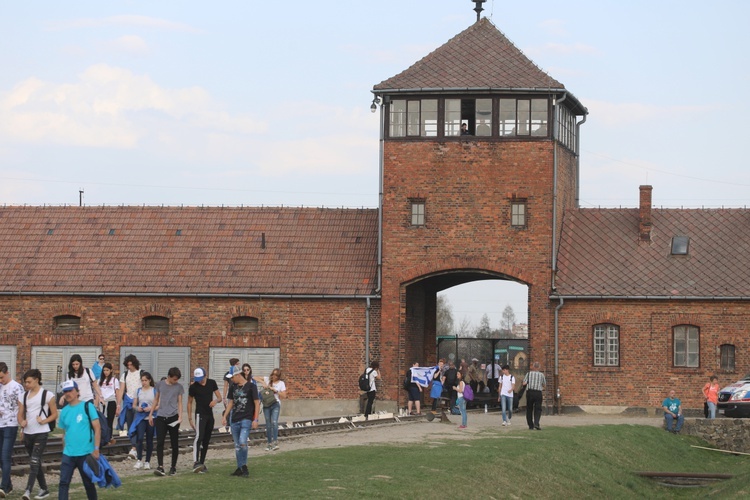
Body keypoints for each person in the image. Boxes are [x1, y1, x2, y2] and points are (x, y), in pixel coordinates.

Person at [57, 379, 100, 500]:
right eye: (65, 391)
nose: (68, 394)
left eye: (70, 390)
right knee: (63, 483)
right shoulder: (64, 411)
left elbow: (97, 428)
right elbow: (64, 433)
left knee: (88, 483)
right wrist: (64, 448)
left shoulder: (87, 406)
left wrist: (96, 449)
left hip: (85, 453)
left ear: (77, 391)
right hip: (68, 454)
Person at [18, 368, 57, 500]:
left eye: (28, 382)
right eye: (25, 382)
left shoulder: (47, 395)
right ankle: (44, 489)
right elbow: (20, 414)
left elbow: (55, 414)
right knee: (35, 462)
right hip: (28, 432)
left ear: (36, 380)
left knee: (34, 461)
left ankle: (27, 491)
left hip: (42, 432)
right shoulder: (23, 396)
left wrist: (44, 421)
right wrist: (21, 423)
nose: (26, 385)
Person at [222, 370, 259, 478]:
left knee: (243, 442)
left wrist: (255, 419)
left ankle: (244, 466)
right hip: (235, 419)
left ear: (238, 375)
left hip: (246, 418)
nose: (231, 380)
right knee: (237, 446)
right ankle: (241, 467)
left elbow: (257, 403)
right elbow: (231, 402)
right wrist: (225, 416)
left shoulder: (251, 386)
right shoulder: (233, 387)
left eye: (232, 377)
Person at [151, 367, 183, 476]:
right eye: (174, 379)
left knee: (175, 443)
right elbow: (156, 399)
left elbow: (179, 402)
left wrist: (180, 416)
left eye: (177, 379)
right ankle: (160, 466)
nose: (176, 381)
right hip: (161, 416)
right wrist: (151, 414)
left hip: (173, 416)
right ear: (169, 376)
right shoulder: (160, 384)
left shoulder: (179, 387)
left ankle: (173, 466)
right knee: (160, 442)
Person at [188, 367, 221, 472]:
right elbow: (189, 402)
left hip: (209, 415)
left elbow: (219, 397)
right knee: (199, 437)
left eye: (201, 378)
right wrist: (189, 418)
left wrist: (215, 401)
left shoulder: (212, 383)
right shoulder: (193, 387)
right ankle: (195, 462)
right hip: (200, 414)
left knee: (206, 439)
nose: (200, 381)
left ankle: (202, 462)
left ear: (205, 376)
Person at [0, 361, 24, 497]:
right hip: (0, 423)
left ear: (7, 373)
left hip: (11, 424)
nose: (0, 380)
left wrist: (21, 425)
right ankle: (8, 485)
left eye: (2, 377)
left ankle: (4, 487)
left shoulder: (16, 387)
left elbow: (21, 407)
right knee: (1, 456)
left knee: (5, 455)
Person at [116, 354, 142, 460]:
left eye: (131, 364)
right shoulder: (125, 375)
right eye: (128, 365)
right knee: (130, 425)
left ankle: (136, 447)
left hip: (139, 402)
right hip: (127, 402)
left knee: (137, 425)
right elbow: (121, 390)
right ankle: (134, 446)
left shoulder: (141, 373)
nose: (129, 367)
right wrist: (118, 404)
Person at [255, 368, 287, 451]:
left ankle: (275, 442)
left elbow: (284, 395)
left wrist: (275, 390)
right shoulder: (267, 379)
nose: (274, 376)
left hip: (275, 403)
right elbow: (254, 377)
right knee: (268, 424)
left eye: (276, 375)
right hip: (266, 404)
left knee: (274, 422)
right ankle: (269, 443)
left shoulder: (281, 383)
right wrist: (263, 382)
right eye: (273, 374)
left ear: (278, 376)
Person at [132, 372, 157, 471]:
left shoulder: (154, 391)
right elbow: (134, 404)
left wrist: (151, 408)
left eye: (146, 380)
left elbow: (158, 405)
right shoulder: (138, 391)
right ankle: (139, 459)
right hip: (141, 417)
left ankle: (147, 461)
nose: (144, 382)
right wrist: (138, 408)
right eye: (142, 380)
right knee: (140, 438)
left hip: (151, 417)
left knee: (149, 439)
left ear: (149, 380)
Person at [98, 363, 119, 440]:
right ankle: (103, 437)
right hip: (102, 402)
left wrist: (118, 405)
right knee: (102, 420)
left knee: (110, 421)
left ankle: (109, 437)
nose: (105, 372)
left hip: (111, 401)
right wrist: (97, 402)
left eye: (107, 370)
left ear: (111, 370)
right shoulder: (100, 380)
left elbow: (117, 393)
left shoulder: (114, 380)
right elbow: (97, 392)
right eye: (104, 370)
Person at [523, 361, 546, 430]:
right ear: (539, 367)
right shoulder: (541, 375)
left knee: (529, 408)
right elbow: (544, 384)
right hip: (538, 392)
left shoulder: (529, 374)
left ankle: (530, 425)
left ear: (533, 367)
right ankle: (536, 423)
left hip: (530, 392)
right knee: (538, 408)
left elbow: (524, 383)